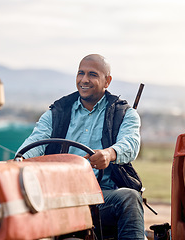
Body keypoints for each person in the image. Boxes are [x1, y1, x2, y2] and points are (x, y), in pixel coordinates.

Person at [16, 54, 145, 239]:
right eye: (81, 73)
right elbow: (35, 142)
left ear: (107, 81)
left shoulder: (124, 113)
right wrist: (19, 160)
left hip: (101, 197)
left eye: (92, 74)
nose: (84, 80)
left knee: (129, 198)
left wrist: (109, 154)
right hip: (59, 196)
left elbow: (130, 143)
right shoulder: (56, 112)